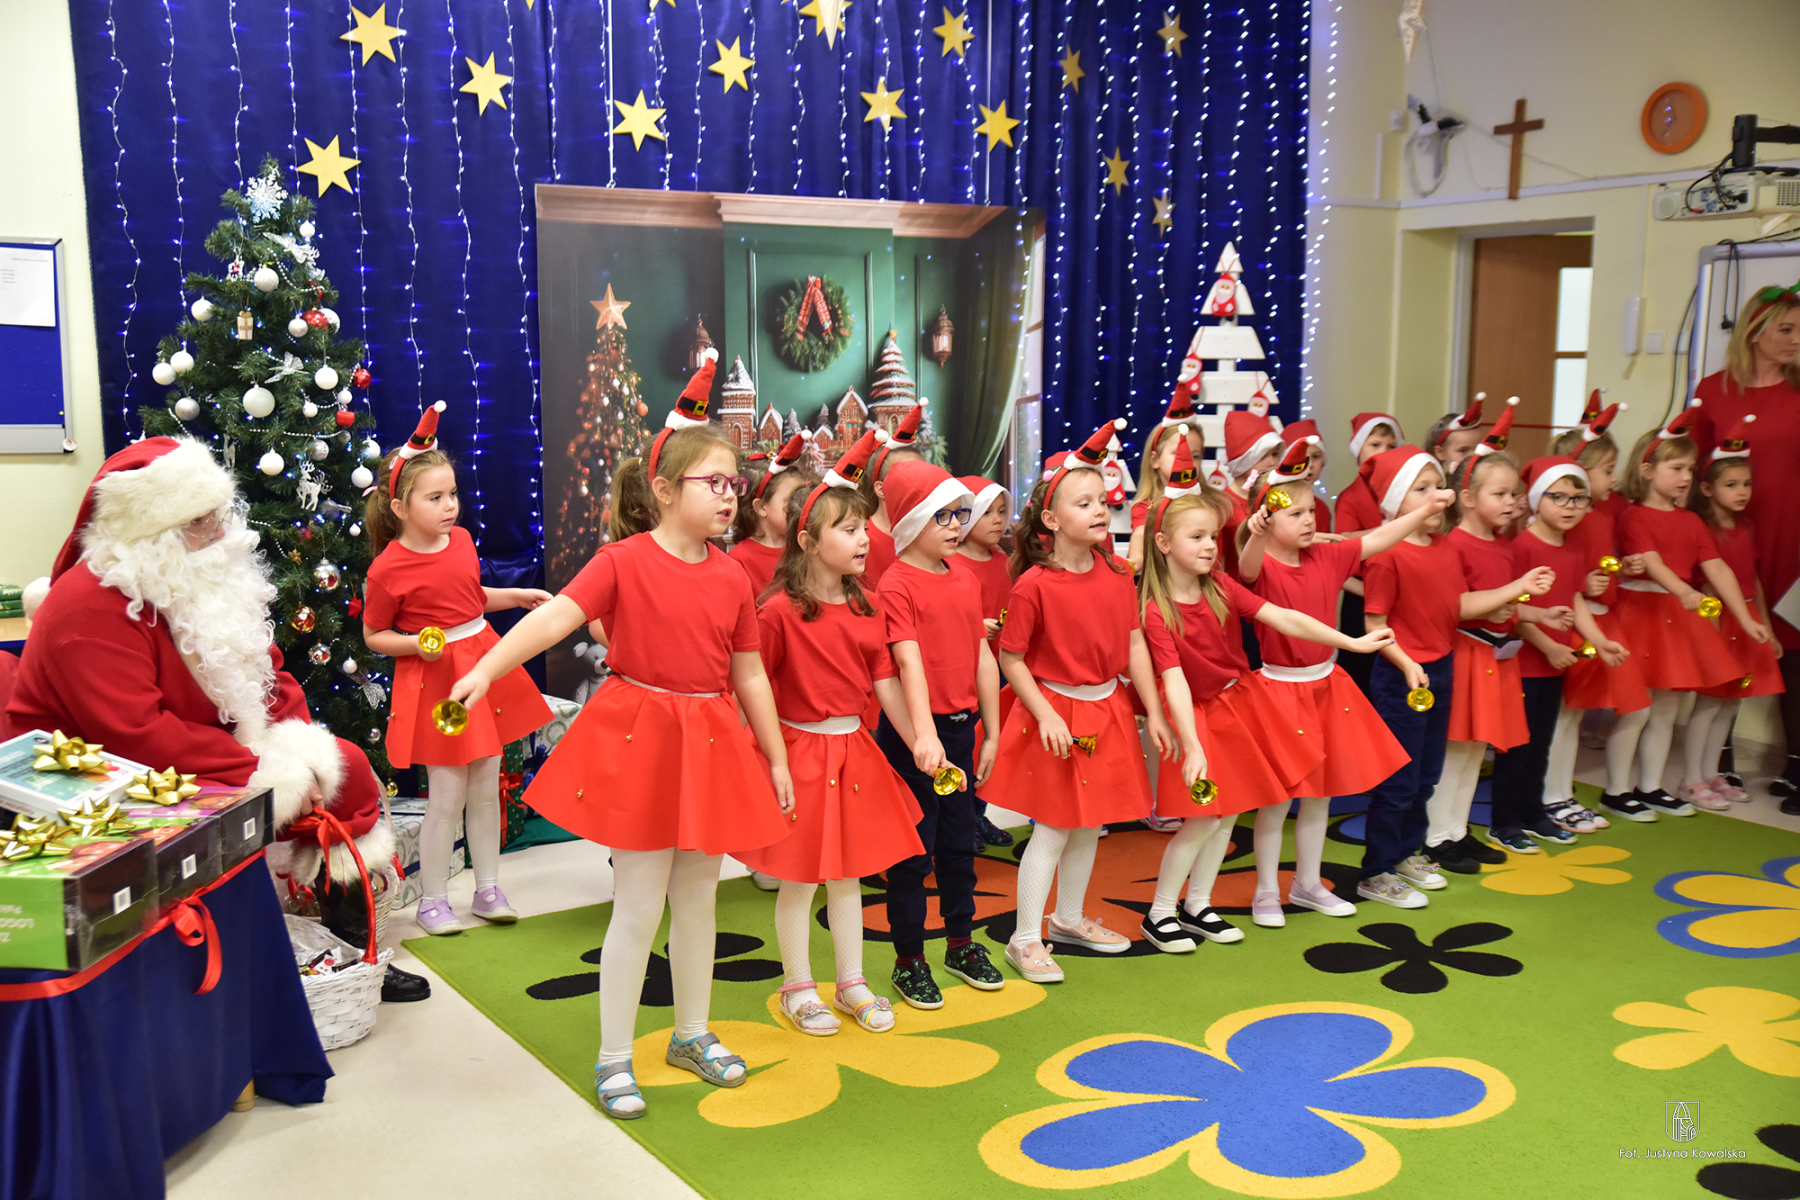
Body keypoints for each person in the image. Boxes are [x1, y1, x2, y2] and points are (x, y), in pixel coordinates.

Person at [449, 359, 795, 1120]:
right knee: (637, 905)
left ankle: (692, 1033)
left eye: (735, 483)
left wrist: (775, 756)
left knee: (699, 901)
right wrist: (485, 667)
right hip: (646, 740)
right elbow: (553, 618)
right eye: (713, 481)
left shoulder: (733, 577)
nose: (729, 495)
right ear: (665, 490)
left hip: (710, 741)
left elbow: (749, 674)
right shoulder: (624, 561)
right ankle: (614, 1055)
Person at [7, 437, 425, 1001]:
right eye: (200, 522)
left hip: (189, 746)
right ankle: (246, 973)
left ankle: (346, 954)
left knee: (343, 769)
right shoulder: (89, 603)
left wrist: (300, 751)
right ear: (151, 535)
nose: (222, 532)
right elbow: (134, 733)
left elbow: (267, 675)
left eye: (218, 514)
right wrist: (262, 771)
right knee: (275, 797)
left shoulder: (201, 579)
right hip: (99, 775)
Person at [1137, 431, 1391, 951]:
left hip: (1236, 705)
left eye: (1213, 536)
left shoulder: (1221, 586)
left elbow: (1285, 617)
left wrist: (1349, 642)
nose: (1210, 546)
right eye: (1196, 537)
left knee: (1229, 813)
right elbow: (1174, 680)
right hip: (1195, 715)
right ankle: (1159, 913)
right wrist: (1192, 744)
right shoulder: (1156, 610)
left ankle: (1198, 905)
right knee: (1202, 817)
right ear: (1163, 544)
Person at [735, 445, 925, 1037]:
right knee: (799, 876)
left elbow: (885, 681)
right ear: (809, 542)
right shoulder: (778, 611)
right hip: (799, 754)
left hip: (854, 753)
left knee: (849, 874)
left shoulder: (869, 606)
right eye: (848, 529)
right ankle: (797, 985)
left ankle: (850, 981)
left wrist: (919, 739)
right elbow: (753, 686)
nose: (865, 538)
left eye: (864, 526)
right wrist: (762, 758)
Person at [985, 421, 1173, 983]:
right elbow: (1011, 659)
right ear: (1050, 520)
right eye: (1083, 503)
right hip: (1057, 714)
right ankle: (1024, 937)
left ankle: (1067, 919)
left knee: (1091, 824)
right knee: (1053, 828)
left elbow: (1134, 643)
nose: (1100, 510)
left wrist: (1153, 711)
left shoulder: (1118, 573)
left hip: (1107, 710)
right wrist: (1045, 714)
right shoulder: (1034, 586)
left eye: (1102, 500)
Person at [361, 404, 553, 935]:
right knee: (446, 794)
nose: (450, 506)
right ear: (399, 507)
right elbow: (374, 635)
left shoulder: (463, 541)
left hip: (481, 665)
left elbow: (471, 598)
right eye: (435, 498)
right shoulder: (386, 569)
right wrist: (415, 646)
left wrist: (515, 595)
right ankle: (433, 901)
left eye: (452, 494)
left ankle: (488, 888)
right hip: (437, 681)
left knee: (487, 784)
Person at [1235, 437, 1434, 928]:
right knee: (1277, 801)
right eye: (1295, 513)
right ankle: (1265, 891)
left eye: (1311, 511)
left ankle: (1307, 883)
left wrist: (1426, 508)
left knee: (1320, 795)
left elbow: (1381, 539)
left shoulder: (1330, 557)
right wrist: (1256, 533)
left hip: (1327, 688)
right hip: (1279, 691)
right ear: (1267, 520)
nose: (1309, 520)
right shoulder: (1262, 566)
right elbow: (1246, 567)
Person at [1357, 442, 1553, 909]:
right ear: (1396, 501)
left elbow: (1458, 606)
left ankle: (1407, 853)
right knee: (1399, 780)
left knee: (1427, 775)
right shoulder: (1386, 554)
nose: (1436, 496)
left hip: (1440, 669)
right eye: (1420, 489)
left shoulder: (1444, 549)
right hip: (1402, 677)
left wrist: (1518, 588)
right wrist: (1408, 664)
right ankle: (1376, 872)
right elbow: (1374, 625)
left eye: (1437, 486)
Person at [874, 456, 1007, 1011]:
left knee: (958, 846)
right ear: (911, 522)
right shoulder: (895, 583)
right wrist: (922, 738)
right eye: (942, 516)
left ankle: (960, 944)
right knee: (911, 855)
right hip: (912, 740)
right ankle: (909, 959)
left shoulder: (966, 579)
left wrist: (991, 730)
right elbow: (906, 662)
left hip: (958, 734)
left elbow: (981, 655)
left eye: (960, 514)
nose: (956, 526)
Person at [1605, 409, 1764, 819]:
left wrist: (1747, 618)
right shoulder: (1634, 516)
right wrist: (1684, 591)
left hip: (1674, 619)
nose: (1685, 477)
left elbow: (1718, 568)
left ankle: (1651, 786)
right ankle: (1616, 790)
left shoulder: (1692, 520)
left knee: (1666, 709)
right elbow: (1651, 562)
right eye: (1676, 468)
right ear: (1647, 470)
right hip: (1641, 615)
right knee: (1636, 710)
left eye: (1690, 469)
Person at [1427, 409, 1562, 872]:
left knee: (1475, 750)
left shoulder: (1504, 546)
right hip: (1465, 654)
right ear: (1467, 498)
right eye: (1499, 494)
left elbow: (1504, 605)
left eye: (1514, 494)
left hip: (1496, 657)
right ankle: (1435, 836)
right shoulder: (1453, 545)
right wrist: (1510, 595)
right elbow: (1456, 606)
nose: (1511, 502)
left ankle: (1457, 831)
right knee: (1454, 751)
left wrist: (1538, 612)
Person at [1691, 283, 1800, 810]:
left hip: (1791, 537)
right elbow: (1688, 465)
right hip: (1726, 542)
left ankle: (1796, 765)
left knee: (1793, 644)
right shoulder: (1714, 390)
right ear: (1755, 332)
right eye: (1787, 329)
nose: (1796, 340)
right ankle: (1718, 759)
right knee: (1726, 641)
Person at [1493, 458, 1627, 851]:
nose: (1570, 507)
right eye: (1559, 497)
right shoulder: (1522, 547)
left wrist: (1599, 640)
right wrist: (1550, 646)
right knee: (1516, 748)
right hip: (1523, 665)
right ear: (1537, 499)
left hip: (1554, 666)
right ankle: (1504, 822)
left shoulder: (1572, 547)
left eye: (1578, 498)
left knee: (1540, 746)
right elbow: (1512, 611)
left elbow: (1575, 600)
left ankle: (1532, 813)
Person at [1682, 418, 1785, 806]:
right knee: (1708, 703)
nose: (1742, 492)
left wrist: (1766, 627)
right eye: (1731, 485)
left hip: (1747, 622)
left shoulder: (1746, 527)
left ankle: (1713, 774)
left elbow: (1752, 580)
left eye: (1746, 484)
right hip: (1717, 622)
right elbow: (1705, 583)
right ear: (1707, 488)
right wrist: (1712, 632)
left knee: (1731, 703)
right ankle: (1691, 779)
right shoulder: (1702, 529)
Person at [952, 475, 1016, 849]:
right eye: (987, 512)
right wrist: (977, 627)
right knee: (966, 748)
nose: (997, 520)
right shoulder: (952, 563)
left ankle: (979, 814)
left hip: (1000, 670)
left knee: (991, 748)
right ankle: (963, 822)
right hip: (965, 673)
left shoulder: (1004, 562)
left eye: (1002, 511)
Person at [1126, 385, 1209, 571]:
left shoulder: (1212, 504)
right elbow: (1140, 534)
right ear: (1155, 460)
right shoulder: (1146, 508)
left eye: (1195, 456)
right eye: (1178, 452)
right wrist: (1134, 560)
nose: (1187, 460)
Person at [730, 431, 811, 599]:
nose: (800, 507)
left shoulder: (807, 548)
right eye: (791, 501)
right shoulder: (738, 560)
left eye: (803, 499)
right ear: (761, 507)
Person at [858, 404, 927, 588]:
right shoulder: (861, 540)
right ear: (881, 489)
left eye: (924, 476)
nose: (919, 486)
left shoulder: (931, 535)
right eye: (908, 478)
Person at [1279, 419, 1334, 533]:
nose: (1310, 465)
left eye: (1315, 457)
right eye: (1302, 457)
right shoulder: (1273, 504)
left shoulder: (1321, 509)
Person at [1425, 395, 1486, 478]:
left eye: (1478, 448)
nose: (1473, 456)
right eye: (1463, 451)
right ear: (1440, 452)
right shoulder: (1433, 482)